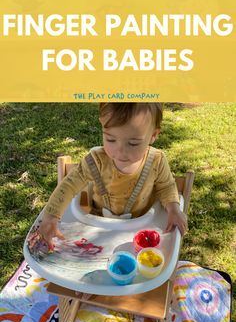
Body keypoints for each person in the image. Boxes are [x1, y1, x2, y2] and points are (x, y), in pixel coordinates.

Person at [37, 102, 187, 250]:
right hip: (98, 229)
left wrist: (173, 209)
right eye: (111, 140)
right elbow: (69, 185)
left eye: (133, 143)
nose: (120, 151)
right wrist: (51, 216)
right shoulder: (95, 161)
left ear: (153, 135)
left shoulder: (156, 161)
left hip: (139, 230)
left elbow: (166, 186)